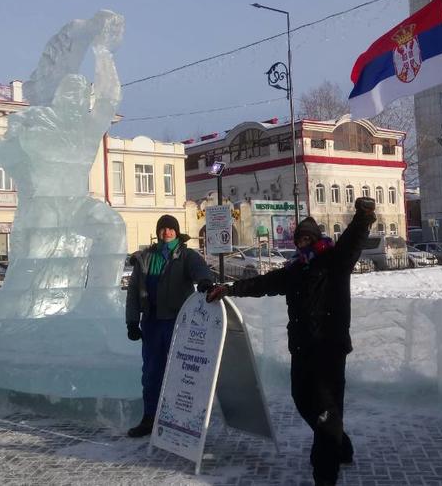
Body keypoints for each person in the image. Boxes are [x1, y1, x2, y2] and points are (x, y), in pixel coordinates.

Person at [207, 197, 376, 486]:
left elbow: (352, 241)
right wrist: (229, 289)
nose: (302, 243)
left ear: (317, 239)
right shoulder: (295, 270)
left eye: (308, 238)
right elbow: (262, 284)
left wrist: (364, 216)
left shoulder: (334, 261)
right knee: (302, 400)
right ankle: (340, 446)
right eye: (299, 240)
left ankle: (325, 474)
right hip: (302, 348)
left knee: (326, 410)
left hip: (329, 349)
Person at [125, 214, 214, 437]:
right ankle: (150, 417)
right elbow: (133, 292)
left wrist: (205, 281)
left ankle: (181, 418)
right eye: (163, 229)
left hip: (178, 322)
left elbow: (199, 269)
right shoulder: (145, 257)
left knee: (181, 371)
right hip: (152, 323)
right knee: (151, 372)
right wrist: (132, 321)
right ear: (158, 232)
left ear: (177, 231)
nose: (167, 232)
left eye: (171, 228)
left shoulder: (185, 255)